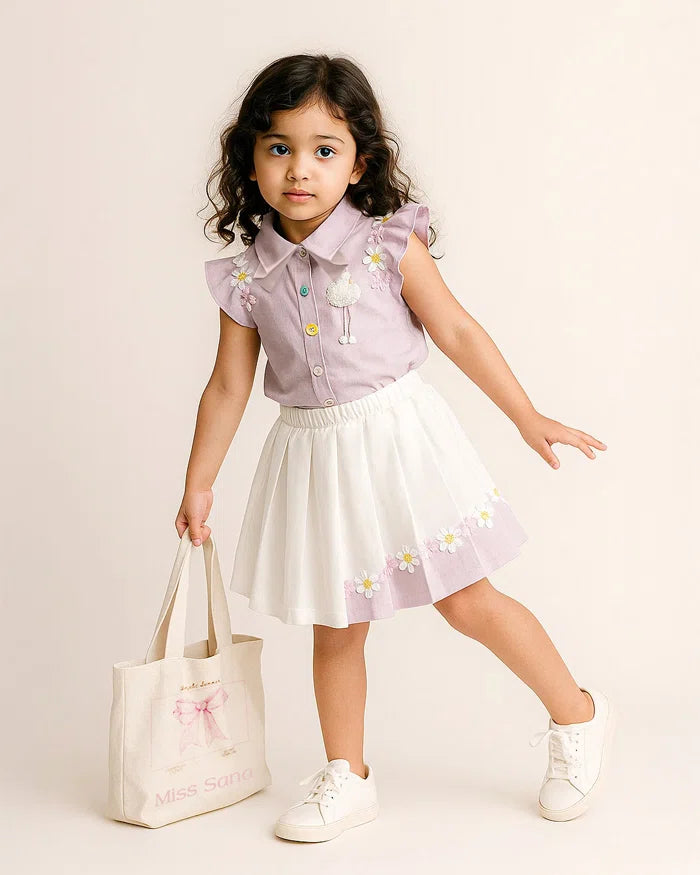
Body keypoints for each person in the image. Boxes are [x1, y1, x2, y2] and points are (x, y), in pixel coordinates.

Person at [175, 53, 616, 843]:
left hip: (400, 443)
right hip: (313, 458)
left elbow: (456, 330)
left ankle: (578, 715)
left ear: (359, 160)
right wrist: (199, 480)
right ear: (249, 158)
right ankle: (348, 774)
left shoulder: (386, 245)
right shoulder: (246, 278)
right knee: (336, 622)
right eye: (278, 148)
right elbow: (228, 387)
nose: (299, 169)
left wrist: (527, 415)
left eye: (323, 149)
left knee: (467, 599)